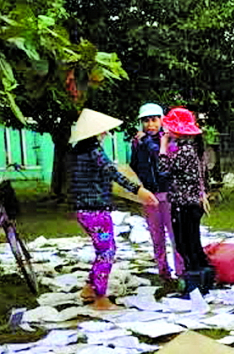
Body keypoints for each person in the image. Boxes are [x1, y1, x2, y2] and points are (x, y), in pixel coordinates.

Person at [69, 108, 158, 311]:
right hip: (95, 210)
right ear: (96, 132)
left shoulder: (78, 151)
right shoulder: (94, 150)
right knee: (107, 252)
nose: (106, 134)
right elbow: (112, 173)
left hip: (83, 209)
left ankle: (89, 289)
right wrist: (139, 190)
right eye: (104, 131)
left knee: (103, 250)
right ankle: (100, 297)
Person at [158, 107, 212, 292]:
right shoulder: (192, 149)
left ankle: (197, 283)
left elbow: (163, 169)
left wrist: (163, 146)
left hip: (184, 204)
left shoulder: (185, 151)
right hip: (191, 204)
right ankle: (204, 279)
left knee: (185, 245)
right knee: (192, 243)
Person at [130, 102, 181, 280]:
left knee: (175, 236)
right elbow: (134, 165)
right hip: (150, 195)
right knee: (157, 237)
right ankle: (163, 272)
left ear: (161, 120)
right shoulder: (137, 143)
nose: (150, 125)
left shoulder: (169, 139)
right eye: (146, 121)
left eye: (153, 120)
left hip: (169, 194)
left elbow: (161, 158)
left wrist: (145, 141)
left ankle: (181, 273)